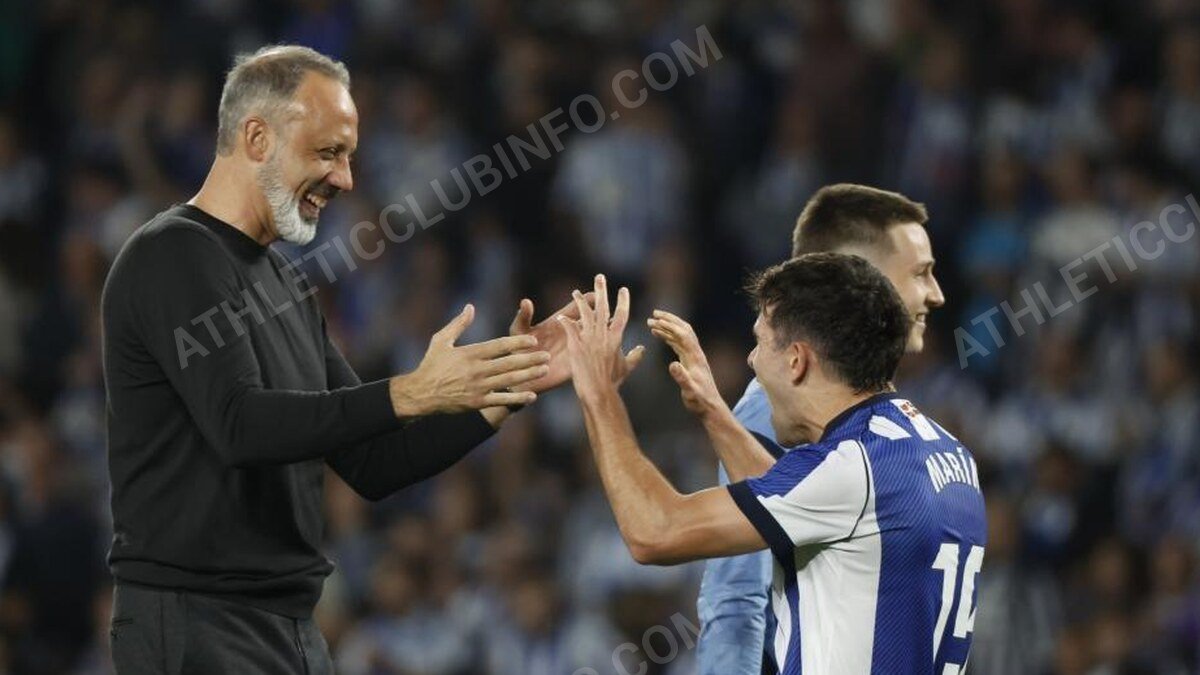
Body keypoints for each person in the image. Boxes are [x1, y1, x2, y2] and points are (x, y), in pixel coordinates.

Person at [101, 45, 639, 674]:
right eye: (328, 153)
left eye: (349, 156)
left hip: (287, 626)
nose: (346, 179)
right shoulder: (172, 254)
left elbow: (373, 463)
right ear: (256, 137)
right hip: (195, 621)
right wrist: (412, 391)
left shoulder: (286, 285)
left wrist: (509, 383)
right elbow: (239, 426)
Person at [559, 265, 986, 674]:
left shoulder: (853, 468)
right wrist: (714, 412)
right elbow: (800, 501)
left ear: (797, 360)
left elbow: (654, 531)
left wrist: (599, 393)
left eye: (760, 342)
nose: (751, 360)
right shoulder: (941, 451)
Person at [695, 183, 947, 674]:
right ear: (860, 277)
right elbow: (737, 598)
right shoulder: (773, 411)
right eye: (920, 273)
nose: (935, 294)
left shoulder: (869, 405)